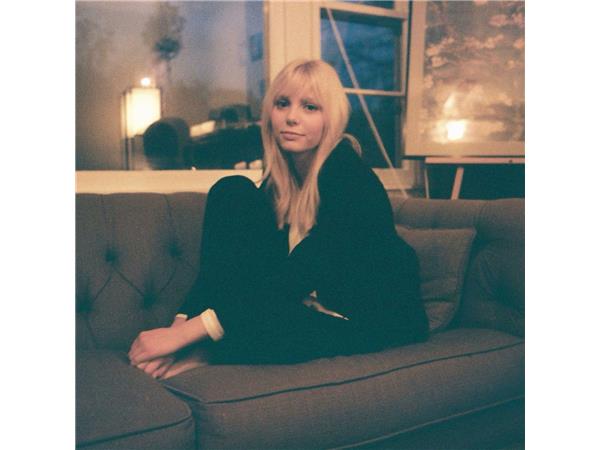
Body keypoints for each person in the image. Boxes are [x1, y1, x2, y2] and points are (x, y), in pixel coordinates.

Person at [128, 59, 429, 379]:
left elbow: (299, 274)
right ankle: (206, 349)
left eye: (310, 107)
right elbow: (224, 267)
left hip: (367, 318)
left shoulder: (349, 176)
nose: (292, 117)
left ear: (331, 118)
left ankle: (208, 352)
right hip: (302, 309)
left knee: (264, 321)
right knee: (232, 190)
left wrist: (187, 335)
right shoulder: (279, 184)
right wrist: (177, 328)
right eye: (282, 103)